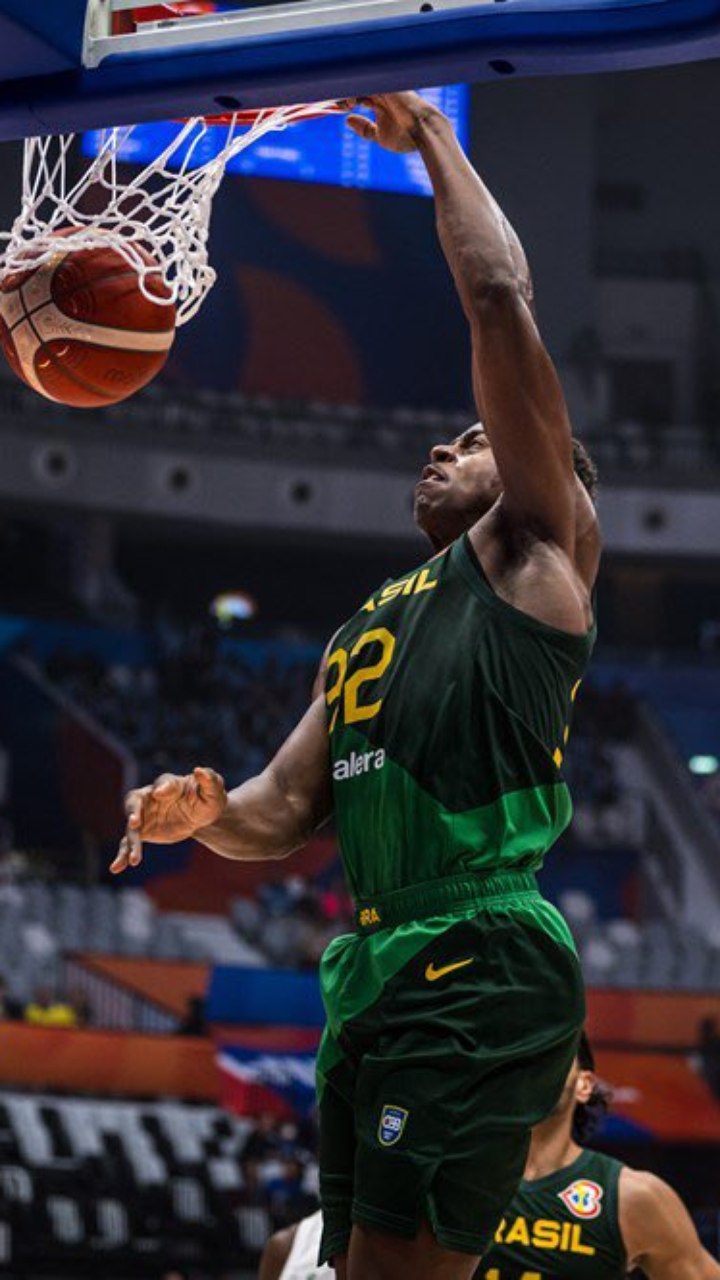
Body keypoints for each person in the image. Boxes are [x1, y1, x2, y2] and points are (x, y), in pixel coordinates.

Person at [112, 91, 601, 1280]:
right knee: (336, 1260)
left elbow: (498, 302)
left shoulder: (540, 548)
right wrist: (202, 813)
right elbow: (282, 807)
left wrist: (435, 140)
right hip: (377, 959)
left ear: (539, 466)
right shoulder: (363, 629)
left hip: (479, 946)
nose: (444, 446)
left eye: (472, 437)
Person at [258, 1034, 720, 1280]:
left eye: (554, 1051)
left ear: (584, 1084)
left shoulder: (634, 1198)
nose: (533, 1062)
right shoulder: (439, 1176)